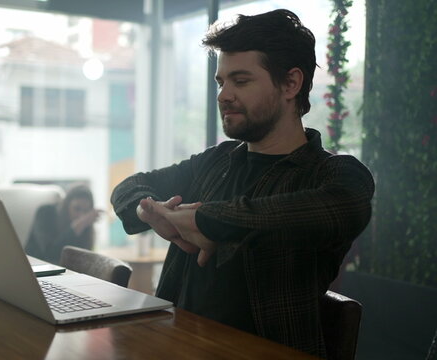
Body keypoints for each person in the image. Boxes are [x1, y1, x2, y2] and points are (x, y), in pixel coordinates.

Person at [110, 9, 374, 358]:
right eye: (221, 82)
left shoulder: (336, 175)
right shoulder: (216, 161)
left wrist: (202, 220)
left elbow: (292, 214)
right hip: (173, 345)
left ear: (291, 84)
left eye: (241, 81)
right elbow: (129, 187)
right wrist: (152, 213)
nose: (223, 95)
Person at [25, 183, 100, 264]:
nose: (81, 216)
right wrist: (76, 227)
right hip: (35, 268)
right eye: (76, 209)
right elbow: (50, 253)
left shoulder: (86, 226)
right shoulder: (45, 212)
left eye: (86, 211)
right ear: (66, 205)